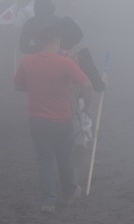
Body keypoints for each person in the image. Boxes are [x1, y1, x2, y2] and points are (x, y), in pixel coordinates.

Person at [14, 22, 93, 213]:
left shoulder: (28, 61)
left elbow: (18, 85)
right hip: (62, 119)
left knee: (44, 160)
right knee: (64, 157)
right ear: (57, 42)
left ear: (41, 42)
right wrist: (85, 109)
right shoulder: (65, 63)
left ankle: (48, 201)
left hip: (37, 119)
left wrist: (35, 87)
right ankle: (69, 194)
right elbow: (87, 85)